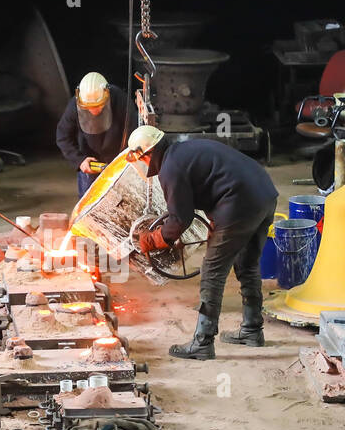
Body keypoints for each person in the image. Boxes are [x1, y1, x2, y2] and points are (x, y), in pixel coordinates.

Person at [128, 126, 279, 360]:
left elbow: (179, 220)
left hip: (239, 203)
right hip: (265, 194)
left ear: (147, 154)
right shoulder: (183, 151)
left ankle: (202, 342)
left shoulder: (170, 168)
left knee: (212, 271)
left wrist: (153, 238)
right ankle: (251, 330)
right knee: (247, 263)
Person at [55, 72, 131, 198]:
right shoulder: (75, 104)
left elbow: (133, 132)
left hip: (117, 161)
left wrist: (125, 161)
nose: (94, 110)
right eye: (89, 107)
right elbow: (63, 136)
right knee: (88, 206)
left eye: (98, 105)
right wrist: (79, 160)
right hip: (90, 164)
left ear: (107, 94)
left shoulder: (121, 100)